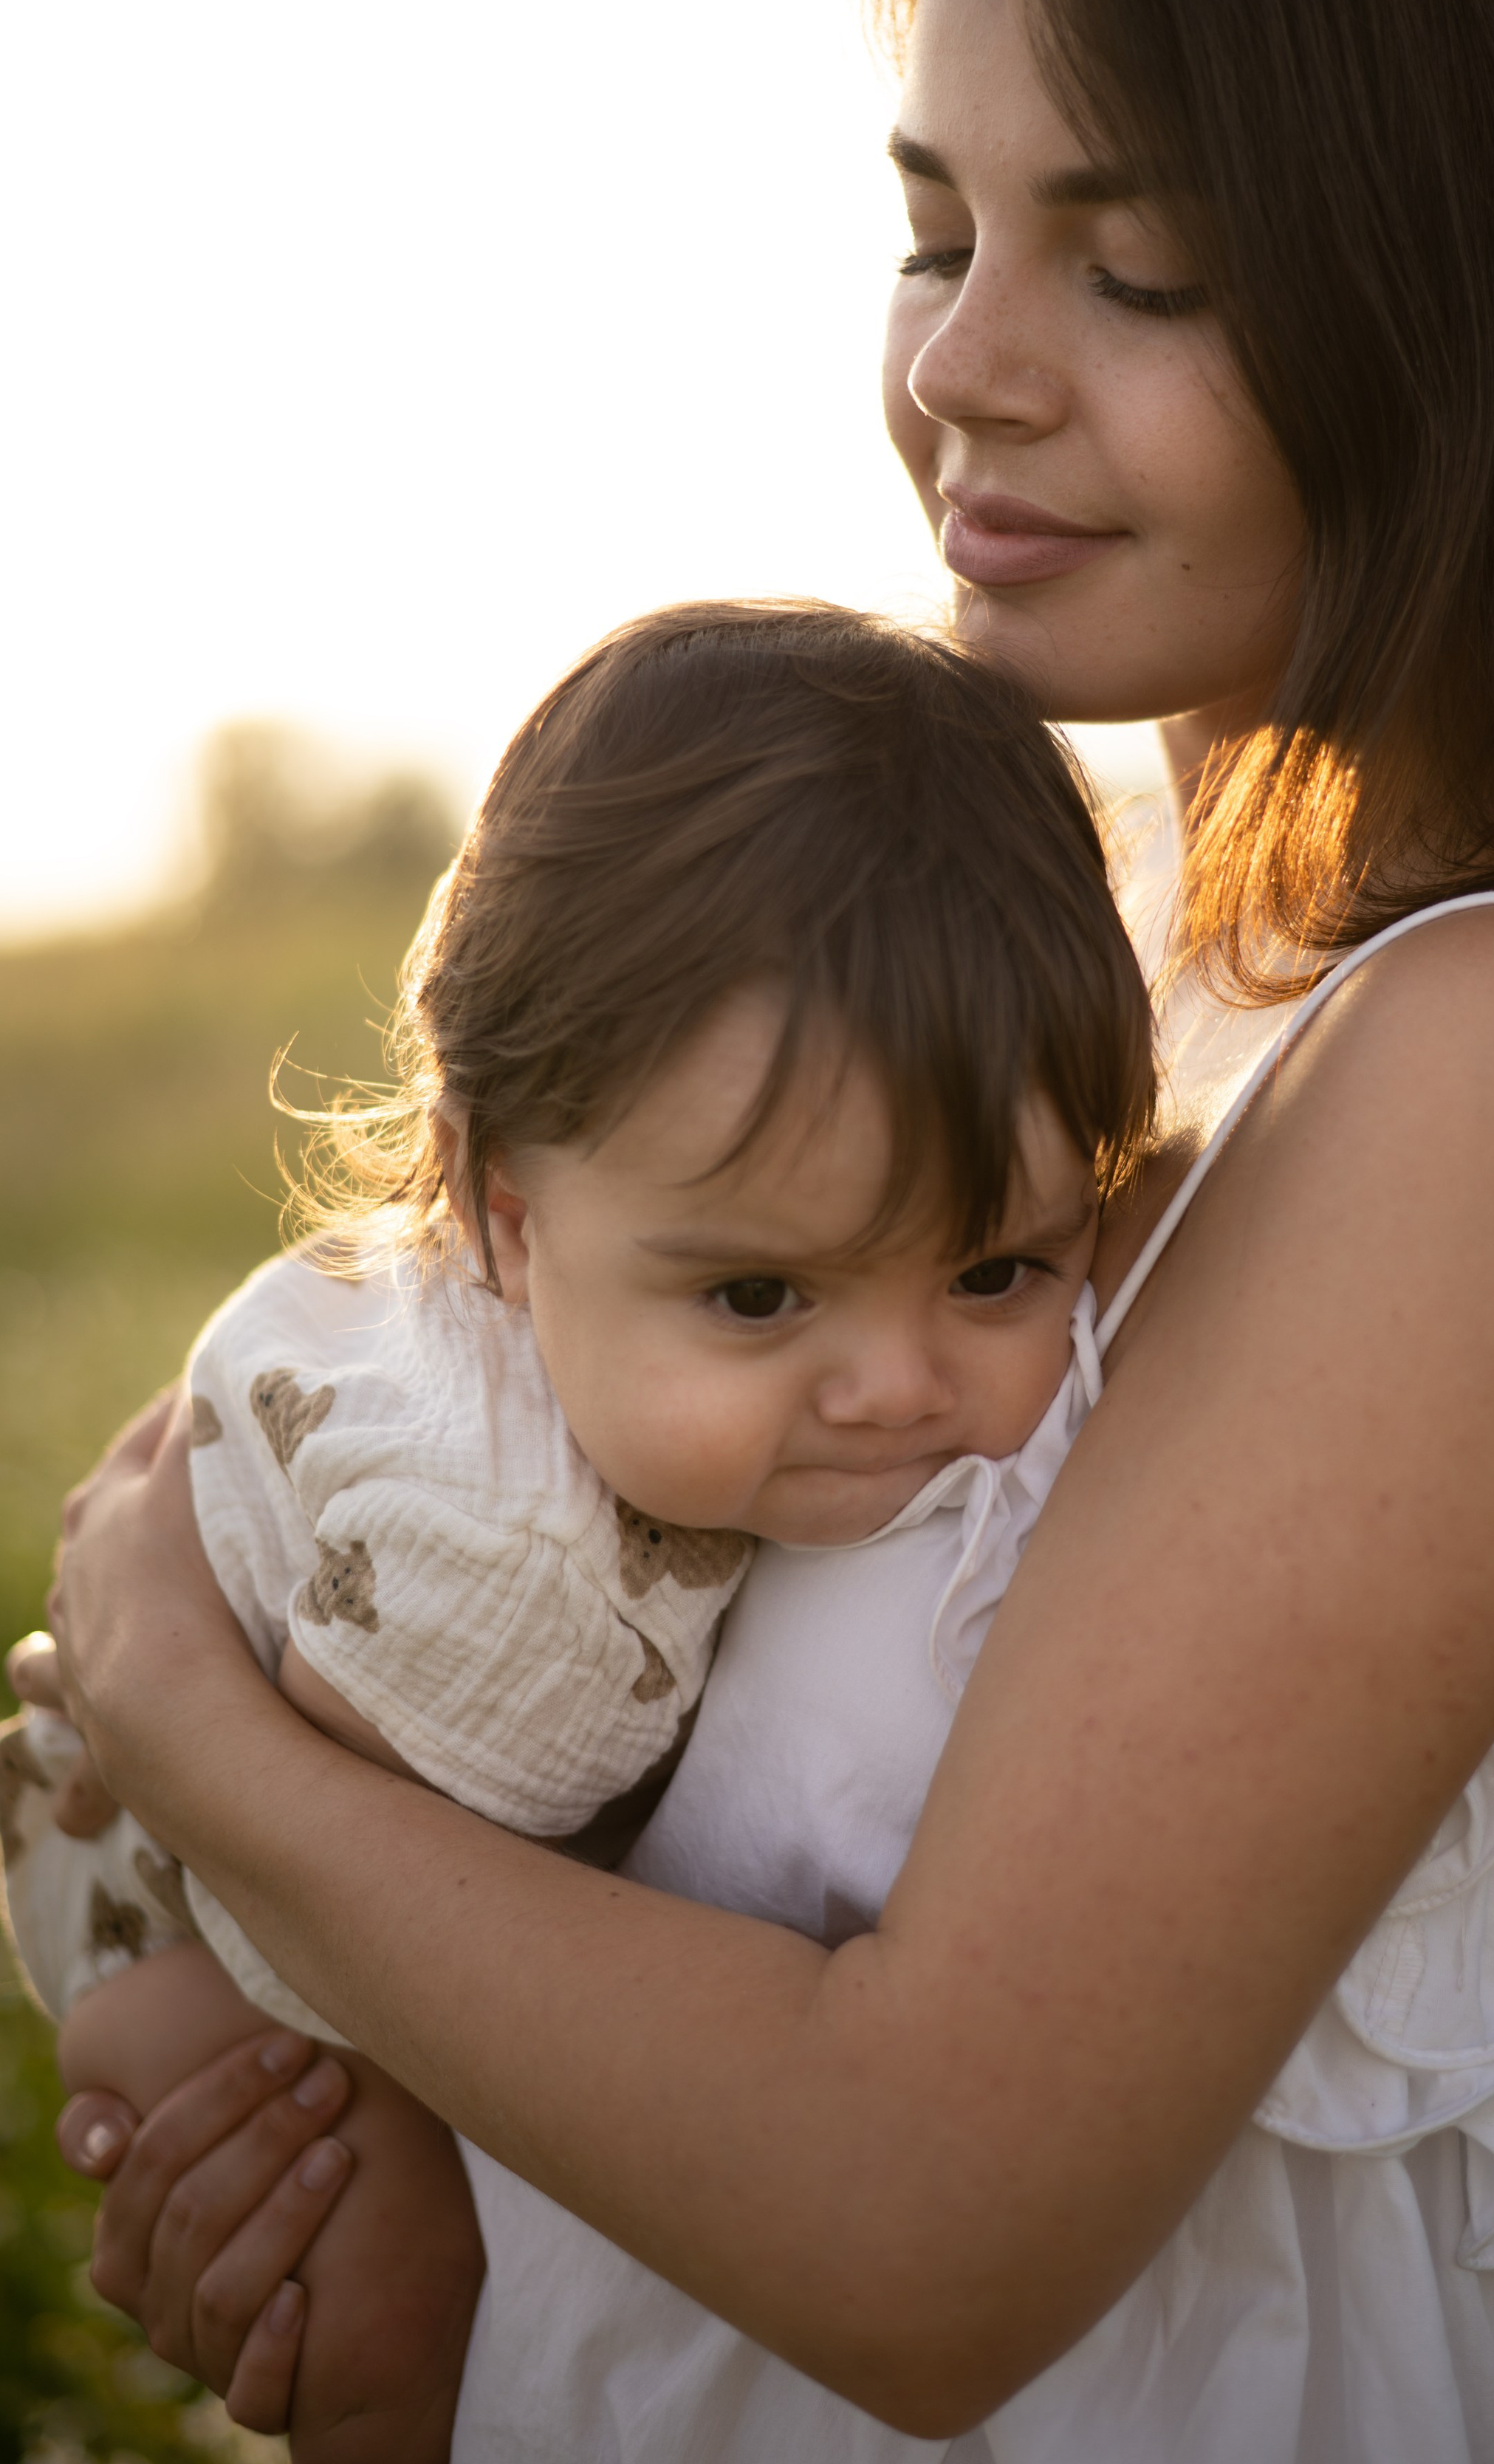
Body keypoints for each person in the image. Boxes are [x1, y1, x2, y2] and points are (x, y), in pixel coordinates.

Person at [24, 0, 1494, 2461]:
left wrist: (207, 1748)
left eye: (1133, 271)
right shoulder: (1080, 980)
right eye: (938, 231)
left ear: (1468, 308)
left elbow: (928, 2234)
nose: (966, 368)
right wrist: (373, 2213)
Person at [3, 598, 1161, 2458]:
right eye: (763, 1300)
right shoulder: (524, 1573)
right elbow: (343, 1911)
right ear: (506, 1215)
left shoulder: (640, 1244)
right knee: (361, 2288)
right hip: (165, 1873)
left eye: (994, 1266)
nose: (894, 1386)